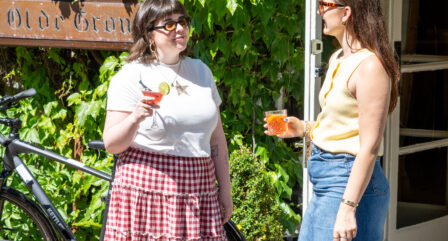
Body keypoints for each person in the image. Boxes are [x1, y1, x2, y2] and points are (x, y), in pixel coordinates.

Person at [265, 0, 399, 241]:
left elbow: (369, 145)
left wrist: (348, 207)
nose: (319, 11)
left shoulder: (370, 67)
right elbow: (344, 126)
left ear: (346, 13)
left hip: (348, 180)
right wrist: (304, 128)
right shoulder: (337, 58)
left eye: (324, 4)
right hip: (326, 179)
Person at [102, 0, 232, 240]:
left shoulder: (201, 71)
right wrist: (135, 117)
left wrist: (225, 189)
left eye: (183, 22)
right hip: (146, 189)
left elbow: (217, 137)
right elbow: (112, 144)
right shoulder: (131, 75)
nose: (180, 29)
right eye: (169, 24)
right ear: (149, 34)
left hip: (199, 186)